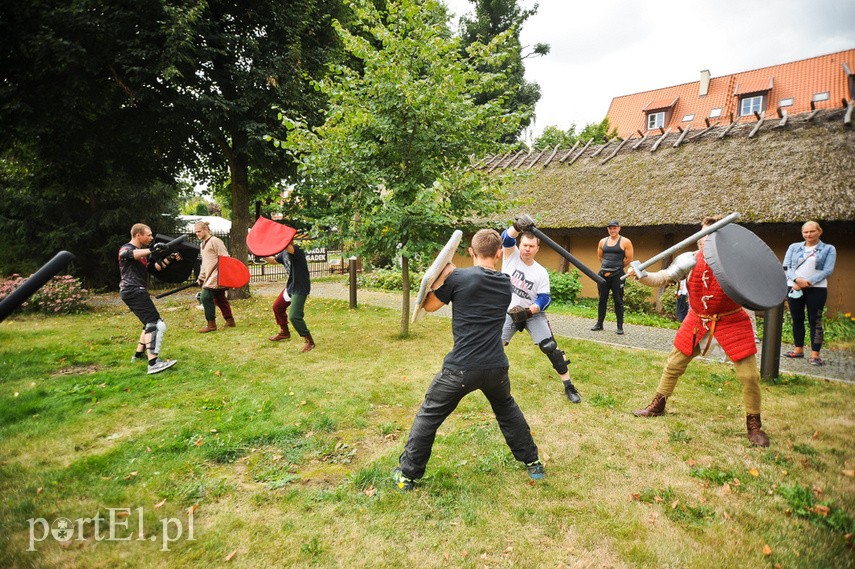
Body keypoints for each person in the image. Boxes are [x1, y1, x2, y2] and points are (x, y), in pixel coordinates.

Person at [393, 229, 545, 491]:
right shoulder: (505, 282)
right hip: (496, 366)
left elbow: (428, 306)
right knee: (507, 411)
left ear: (472, 252)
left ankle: (407, 475)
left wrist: (442, 277)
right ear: (499, 254)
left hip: (461, 368)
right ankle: (533, 463)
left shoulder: (458, 278)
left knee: (428, 416)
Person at [628, 216, 769, 447]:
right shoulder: (690, 259)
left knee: (749, 376)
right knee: (674, 364)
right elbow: (662, 277)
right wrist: (641, 275)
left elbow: (755, 282)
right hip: (698, 318)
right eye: (702, 234)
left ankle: (754, 424)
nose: (704, 239)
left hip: (732, 320)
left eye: (710, 234)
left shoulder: (735, 260)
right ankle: (658, 405)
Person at [500, 216, 582, 404]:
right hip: (508, 311)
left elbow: (545, 298)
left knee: (550, 347)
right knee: (496, 347)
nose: (526, 249)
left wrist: (530, 311)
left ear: (537, 248)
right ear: (520, 245)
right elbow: (506, 238)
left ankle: (569, 386)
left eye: (531, 246)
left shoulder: (540, 272)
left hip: (531, 314)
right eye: (524, 245)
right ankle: (493, 383)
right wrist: (515, 227)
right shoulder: (510, 255)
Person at [118, 223, 178, 375]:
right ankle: (153, 363)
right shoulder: (127, 248)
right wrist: (152, 250)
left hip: (134, 291)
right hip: (133, 290)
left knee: (148, 323)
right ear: (138, 235)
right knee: (156, 324)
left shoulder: (141, 254)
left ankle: (138, 355)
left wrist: (170, 257)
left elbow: (155, 268)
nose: (151, 237)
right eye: (148, 235)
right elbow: (127, 255)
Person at [782, 220, 836, 366]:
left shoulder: (828, 249)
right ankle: (798, 350)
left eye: (812, 231)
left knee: (815, 320)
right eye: (805, 232)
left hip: (817, 289)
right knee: (797, 318)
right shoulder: (794, 247)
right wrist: (797, 280)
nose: (809, 234)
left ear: (819, 232)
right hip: (794, 287)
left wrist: (808, 282)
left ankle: (815, 355)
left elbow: (827, 270)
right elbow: (786, 266)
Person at [261, 241, 314, 352]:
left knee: (294, 316)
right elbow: (273, 260)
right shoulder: (284, 253)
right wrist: (261, 254)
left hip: (300, 288)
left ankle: (309, 341)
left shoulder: (297, 249)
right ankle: (284, 333)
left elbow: (286, 246)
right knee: (277, 307)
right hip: (291, 286)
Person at [591, 220, 634, 335]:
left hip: (618, 276)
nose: (612, 230)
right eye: (610, 228)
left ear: (619, 228)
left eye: (614, 228)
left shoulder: (625, 241)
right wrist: (607, 268)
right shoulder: (602, 241)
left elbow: (628, 259)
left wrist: (616, 268)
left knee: (618, 301)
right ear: (608, 229)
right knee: (602, 300)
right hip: (603, 275)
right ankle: (599, 324)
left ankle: (620, 327)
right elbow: (600, 257)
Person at [194, 221, 235, 333]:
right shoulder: (202, 244)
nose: (197, 234)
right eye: (196, 232)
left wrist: (224, 275)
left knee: (205, 297)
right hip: (209, 276)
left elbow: (225, 257)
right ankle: (230, 320)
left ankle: (211, 324)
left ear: (206, 229)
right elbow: (205, 263)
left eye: (199, 231)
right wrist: (201, 277)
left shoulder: (215, 241)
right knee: (220, 299)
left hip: (217, 275)